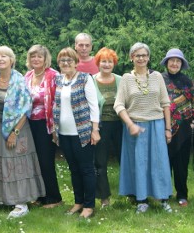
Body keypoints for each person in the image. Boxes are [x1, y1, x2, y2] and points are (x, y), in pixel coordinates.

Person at [114, 42, 173, 214]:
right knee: (138, 163)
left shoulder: (157, 77)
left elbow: (165, 104)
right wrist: (130, 124)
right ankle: (141, 200)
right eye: (137, 55)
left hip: (156, 124)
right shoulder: (126, 78)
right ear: (131, 58)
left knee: (159, 162)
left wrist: (168, 129)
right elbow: (118, 105)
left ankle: (162, 198)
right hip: (135, 126)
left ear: (148, 57)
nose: (141, 58)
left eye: (144, 55)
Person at [0, 46, 45, 219]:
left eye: (4, 56)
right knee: (3, 164)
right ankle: (6, 199)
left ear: (11, 60)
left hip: (18, 129)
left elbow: (25, 109)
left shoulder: (19, 80)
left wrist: (14, 132)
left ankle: (21, 203)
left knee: (18, 165)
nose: (0, 59)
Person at [54, 48, 101, 219]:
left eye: (69, 60)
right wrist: (54, 130)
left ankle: (89, 206)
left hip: (82, 132)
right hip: (64, 133)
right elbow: (56, 106)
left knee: (87, 169)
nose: (65, 63)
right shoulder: (59, 80)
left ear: (75, 62)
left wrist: (95, 130)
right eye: (62, 61)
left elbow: (93, 105)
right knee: (74, 169)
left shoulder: (84, 78)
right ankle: (78, 202)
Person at [24, 44, 63, 208]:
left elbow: (58, 101)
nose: (36, 59)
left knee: (46, 161)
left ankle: (54, 198)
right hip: (28, 123)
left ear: (45, 58)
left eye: (39, 56)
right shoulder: (27, 75)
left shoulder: (53, 75)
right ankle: (40, 195)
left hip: (46, 124)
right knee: (34, 161)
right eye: (33, 56)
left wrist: (55, 127)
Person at [160, 48, 194, 207]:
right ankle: (164, 194)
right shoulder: (159, 79)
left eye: (178, 61)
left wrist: (193, 120)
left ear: (181, 64)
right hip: (162, 127)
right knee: (164, 163)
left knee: (181, 165)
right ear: (166, 62)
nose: (174, 63)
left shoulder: (187, 81)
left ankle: (182, 195)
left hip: (183, 129)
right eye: (171, 60)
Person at [92, 47, 123, 208]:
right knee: (100, 162)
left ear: (114, 63)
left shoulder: (121, 80)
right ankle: (104, 198)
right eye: (103, 61)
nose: (106, 64)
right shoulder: (91, 81)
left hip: (120, 125)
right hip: (101, 125)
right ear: (98, 63)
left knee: (125, 159)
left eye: (109, 61)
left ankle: (131, 194)